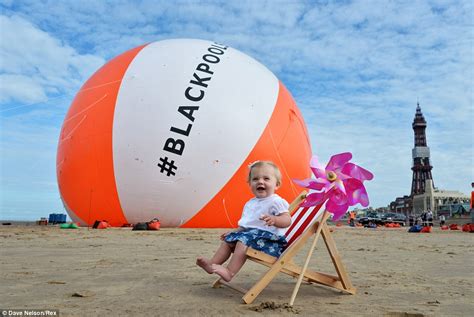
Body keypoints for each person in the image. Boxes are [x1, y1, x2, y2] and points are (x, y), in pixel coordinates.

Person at [196, 161, 291, 282]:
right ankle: (212, 264)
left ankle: (230, 272)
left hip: (271, 243)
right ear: (250, 184)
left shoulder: (276, 201)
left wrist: (275, 219)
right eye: (255, 179)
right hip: (253, 237)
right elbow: (247, 226)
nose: (260, 181)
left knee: (242, 240)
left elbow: (287, 220)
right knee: (229, 240)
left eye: (266, 178)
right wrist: (235, 232)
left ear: (276, 184)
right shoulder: (250, 203)